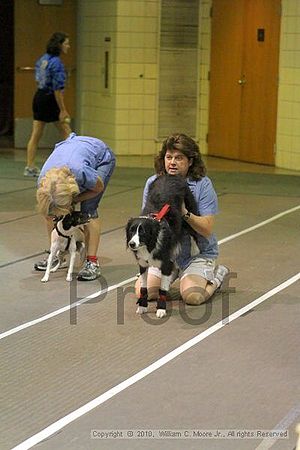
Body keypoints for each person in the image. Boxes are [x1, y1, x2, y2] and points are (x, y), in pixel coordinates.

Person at [135, 133, 229, 305]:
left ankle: (216, 277)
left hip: (197, 252)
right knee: (145, 293)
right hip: (166, 252)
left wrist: (184, 212)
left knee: (192, 297)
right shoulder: (153, 183)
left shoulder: (203, 185)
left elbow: (206, 229)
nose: (172, 162)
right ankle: (173, 275)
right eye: (169, 157)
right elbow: (145, 219)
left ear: (190, 161)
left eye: (179, 158)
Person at [34, 132, 116, 281]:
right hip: (72, 149)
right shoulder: (42, 181)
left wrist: (74, 200)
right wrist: (56, 211)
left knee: (88, 210)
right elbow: (49, 211)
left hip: (100, 156)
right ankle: (57, 254)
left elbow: (97, 188)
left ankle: (92, 262)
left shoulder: (81, 172)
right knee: (49, 213)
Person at [24, 32, 72, 177]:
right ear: (59, 45)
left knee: (36, 134)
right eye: (66, 44)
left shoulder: (42, 60)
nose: (68, 46)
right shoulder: (56, 63)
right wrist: (62, 109)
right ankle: (73, 163)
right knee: (67, 132)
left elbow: (39, 80)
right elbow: (57, 89)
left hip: (39, 97)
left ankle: (30, 166)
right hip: (51, 99)